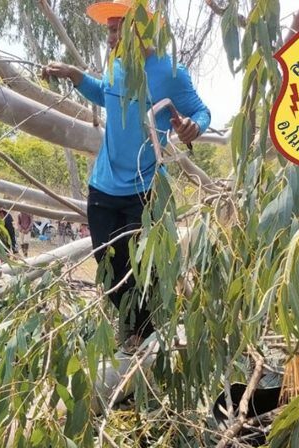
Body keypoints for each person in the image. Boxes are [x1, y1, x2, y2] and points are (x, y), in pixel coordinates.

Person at [42, 0, 210, 349]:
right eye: (109, 29)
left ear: (141, 30)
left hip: (146, 191)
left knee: (143, 275)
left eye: (116, 29)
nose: (110, 37)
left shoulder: (171, 73)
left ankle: (142, 342)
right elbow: (105, 94)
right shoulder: (116, 63)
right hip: (103, 189)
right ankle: (134, 334)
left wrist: (196, 126)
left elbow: (200, 110)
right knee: (110, 272)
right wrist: (76, 77)